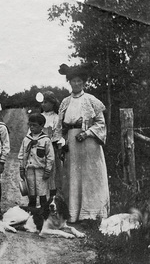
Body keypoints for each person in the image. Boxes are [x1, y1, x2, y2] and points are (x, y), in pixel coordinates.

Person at [57, 63, 110, 223]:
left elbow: (101, 123)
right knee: (73, 177)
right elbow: (59, 127)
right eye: (73, 81)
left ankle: (91, 214)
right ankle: (74, 213)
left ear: (84, 83)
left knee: (90, 177)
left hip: (89, 145)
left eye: (80, 81)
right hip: (72, 145)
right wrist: (62, 141)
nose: (77, 84)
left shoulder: (91, 100)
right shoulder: (65, 102)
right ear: (69, 82)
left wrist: (86, 133)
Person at [18, 113, 55, 208]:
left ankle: (43, 212)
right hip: (29, 169)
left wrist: (48, 170)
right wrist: (22, 168)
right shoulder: (26, 139)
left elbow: (50, 157)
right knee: (31, 192)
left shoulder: (45, 140)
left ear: (42, 126)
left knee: (41, 191)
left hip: (41, 170)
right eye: (30, 125)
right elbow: (22, 155)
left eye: (34, 125)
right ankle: (32, 211)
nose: (32, 127)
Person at [40, 91, 62, 198]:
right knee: (40, 173)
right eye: (42, 102)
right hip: (39, 148)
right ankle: (42, 200)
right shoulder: (39, 117)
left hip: (51, 148)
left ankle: (52, 200)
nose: (43, 104)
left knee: (51, 173)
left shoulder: (56, 117)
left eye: (46, 102)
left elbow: (57, 134)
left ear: (52, 104)